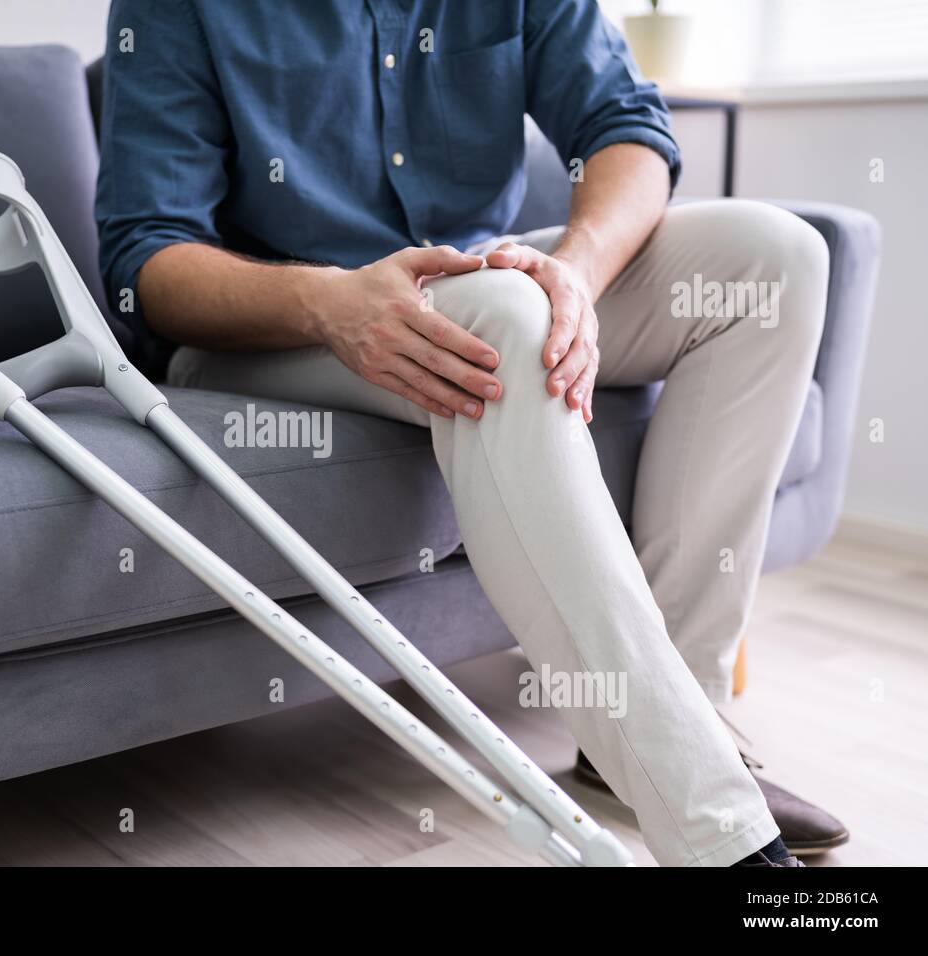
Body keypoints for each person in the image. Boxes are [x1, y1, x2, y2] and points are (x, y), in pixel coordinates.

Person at [96, 0, 848, 866]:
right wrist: (326, 302)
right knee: (498, 317)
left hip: (479, 290)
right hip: (276, 328)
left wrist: (575, 273)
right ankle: (717, 833)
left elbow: (625, 122)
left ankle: (677, 720)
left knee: (775, 256)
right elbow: (143, 260)